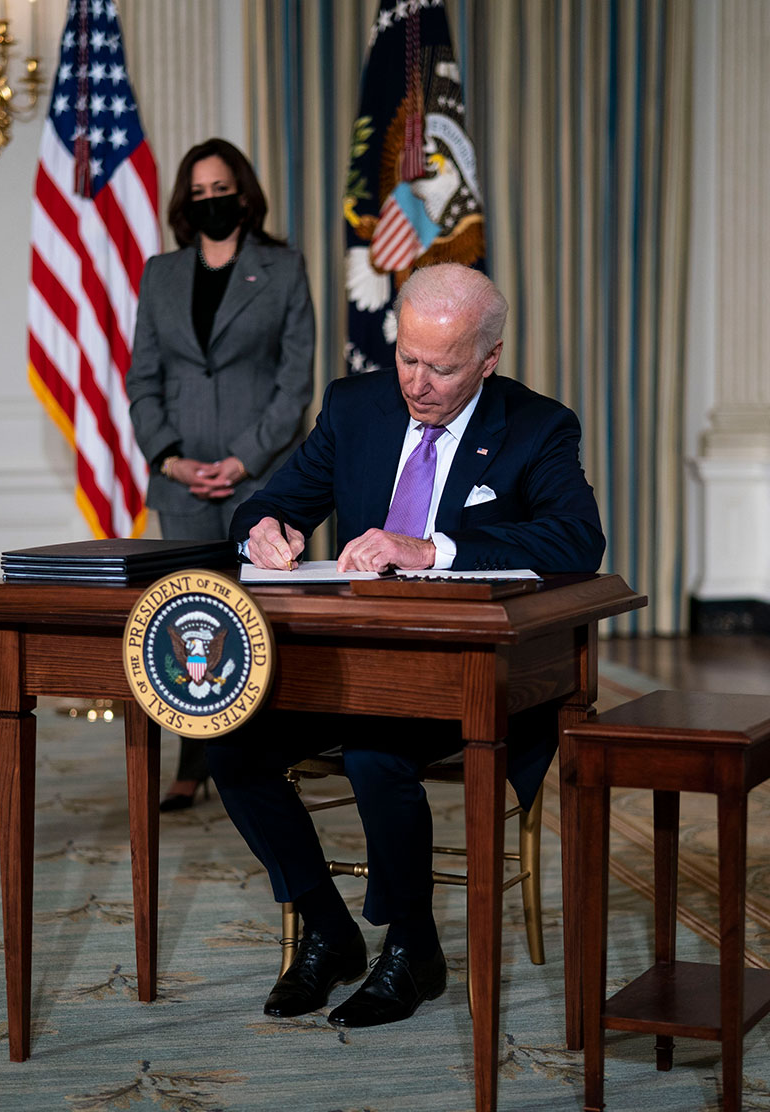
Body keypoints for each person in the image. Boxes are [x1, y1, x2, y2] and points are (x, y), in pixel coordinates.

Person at [210, 263, 604, 1029]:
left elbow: (577, 540)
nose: (417, 383)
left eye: (442, 368)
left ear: (488, 358)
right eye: (406, 358)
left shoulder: (537, 426)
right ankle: (330, 930)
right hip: (350, 665)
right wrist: (264, 531)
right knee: (229, 741)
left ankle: (413, 948)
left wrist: (432, 550)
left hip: (470, 676)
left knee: (375, 753)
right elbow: (271, 503)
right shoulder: (355, 407)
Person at [126, 139, 315, 812]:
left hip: (260, 478)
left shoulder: (283, 269)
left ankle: (275, 757)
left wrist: (242, 459)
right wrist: (170, 458)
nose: (211, 201)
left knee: (264, 618)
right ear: (186, 201)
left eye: (222, 190)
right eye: (199, 192)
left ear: (243, 194)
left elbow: (295, 382)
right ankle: (191, 760)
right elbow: (143, 379)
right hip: (180, 481)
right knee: (183, 619)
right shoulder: (161, 273)